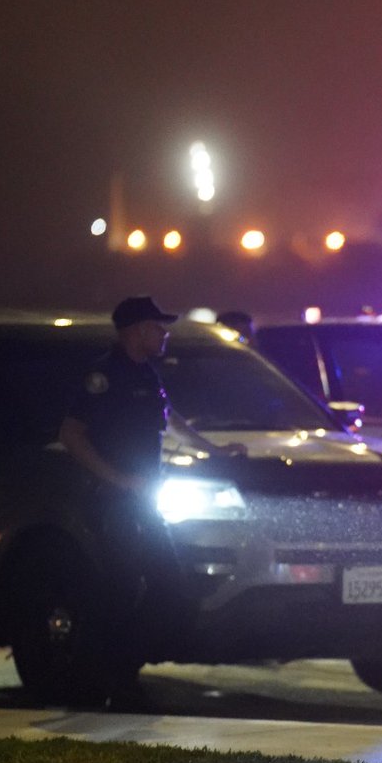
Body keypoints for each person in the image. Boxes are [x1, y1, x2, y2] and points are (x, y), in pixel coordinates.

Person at [59, 296, 246, 697]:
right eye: (157, 327)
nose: (165, 334)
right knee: (122, 587)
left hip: (143, 501)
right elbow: (71, 434)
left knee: (168, 588)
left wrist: (215, 450)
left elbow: (170, 418)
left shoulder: (147, 374)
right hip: (111, 502)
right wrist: (118, 480)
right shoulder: (103, 375)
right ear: (136, 330)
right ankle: (105, 678)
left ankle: (117, 668)